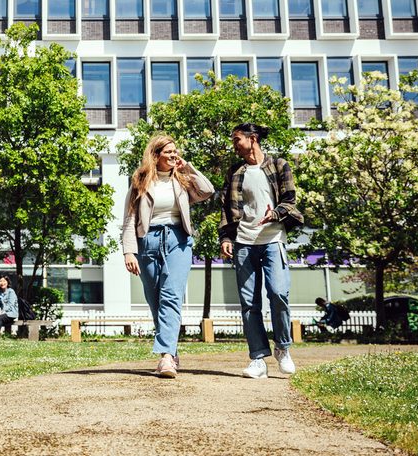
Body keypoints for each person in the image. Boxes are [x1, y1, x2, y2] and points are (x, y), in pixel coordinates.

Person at [123, 134, 215, 378]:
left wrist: (189, 168)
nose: (175, 155)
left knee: (171, 295)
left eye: (176, 151)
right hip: (148, 241)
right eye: (169, 152)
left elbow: (207, 191)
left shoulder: (182, 180)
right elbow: (130, 218)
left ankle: (165, 358)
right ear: (156, 155)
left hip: (178, 240)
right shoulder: (140, 181)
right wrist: (129, 251)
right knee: (155, 299)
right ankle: (171, 350)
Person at [219, 123, 304, 379]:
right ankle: (257, 358)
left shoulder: (278, 165)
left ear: (252, 138)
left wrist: (275, 214)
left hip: (273, 239)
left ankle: (283, 348)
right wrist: (226, 237)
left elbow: (290, 199)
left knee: (278, 293)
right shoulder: (235, 172)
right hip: (244, 242)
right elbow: (226, 208)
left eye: (237, 140)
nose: (234, 145)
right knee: (249, 303)